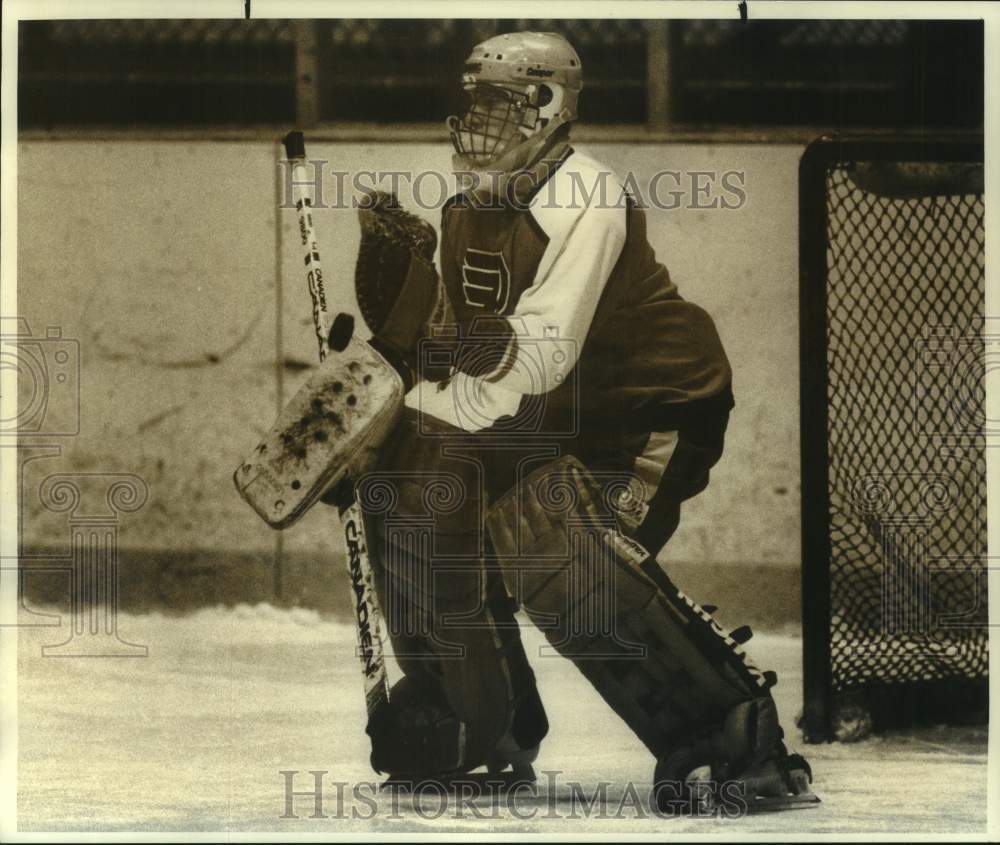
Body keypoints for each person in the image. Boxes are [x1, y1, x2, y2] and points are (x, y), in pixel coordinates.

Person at [361, 30, 816, 813]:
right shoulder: (469, 205)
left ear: (547, 107)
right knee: (407, 484)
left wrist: (439, 342)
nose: (478, 120)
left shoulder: (586, 198)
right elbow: (467, 376)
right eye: (474, 102)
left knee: (559, 543)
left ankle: (733, 732)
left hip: (650, 409)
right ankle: (478, 723)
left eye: (498, 103)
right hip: (557, 411)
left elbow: (533, 358)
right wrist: (384, 412)